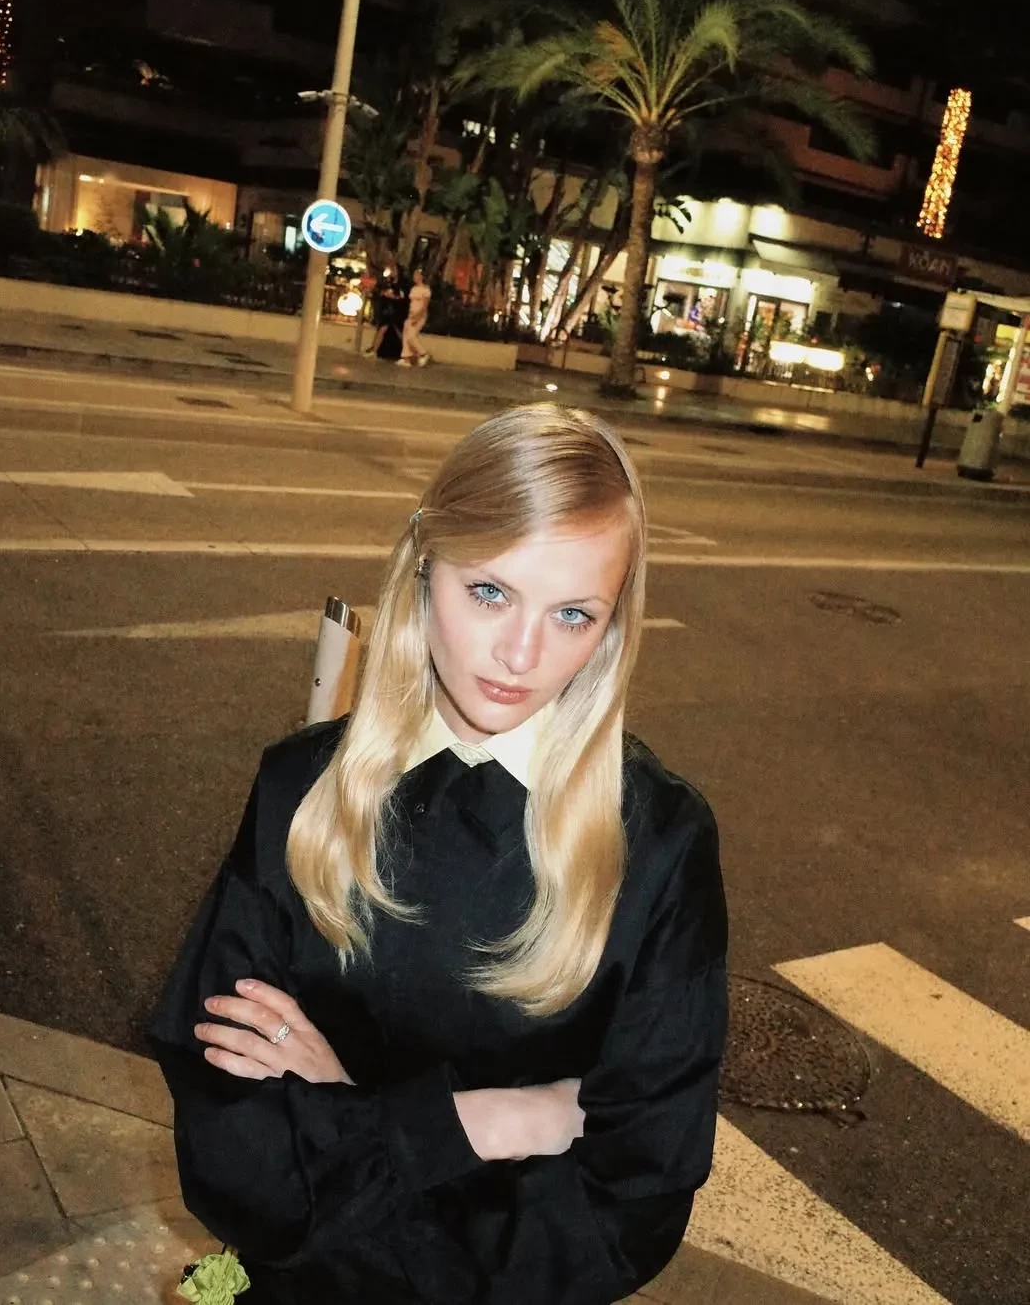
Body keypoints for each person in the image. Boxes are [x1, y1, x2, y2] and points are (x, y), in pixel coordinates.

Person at [149, 405, 728, 1305]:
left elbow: (629, 1213)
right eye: (489, 592)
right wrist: (494, 1121)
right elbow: (233, 1157)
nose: (522, 654)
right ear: (424, 566)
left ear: (612, 626)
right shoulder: (302, 789)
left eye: (573, 614)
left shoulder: (656, 843)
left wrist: (344, 1120)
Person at [366, 267, 405, 361]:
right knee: (382, 329)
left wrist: (393, 296)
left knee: (398, 330)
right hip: (387, 311)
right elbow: (380, 292)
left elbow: (401, 297)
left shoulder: (400, 285)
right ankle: (374, 350)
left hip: (396, 311)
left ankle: (408, 352)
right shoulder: (386, 283)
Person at [399, 266, 432, 367]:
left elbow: (425, 306)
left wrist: (418, 316)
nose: (414, 277)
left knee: (411, 336)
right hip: (411, 314)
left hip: (419, 315)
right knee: (406, 334)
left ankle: (423, 353)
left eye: (417, 275)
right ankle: (406, 358)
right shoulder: (413, 288)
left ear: (421, 276)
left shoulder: (425, 290)